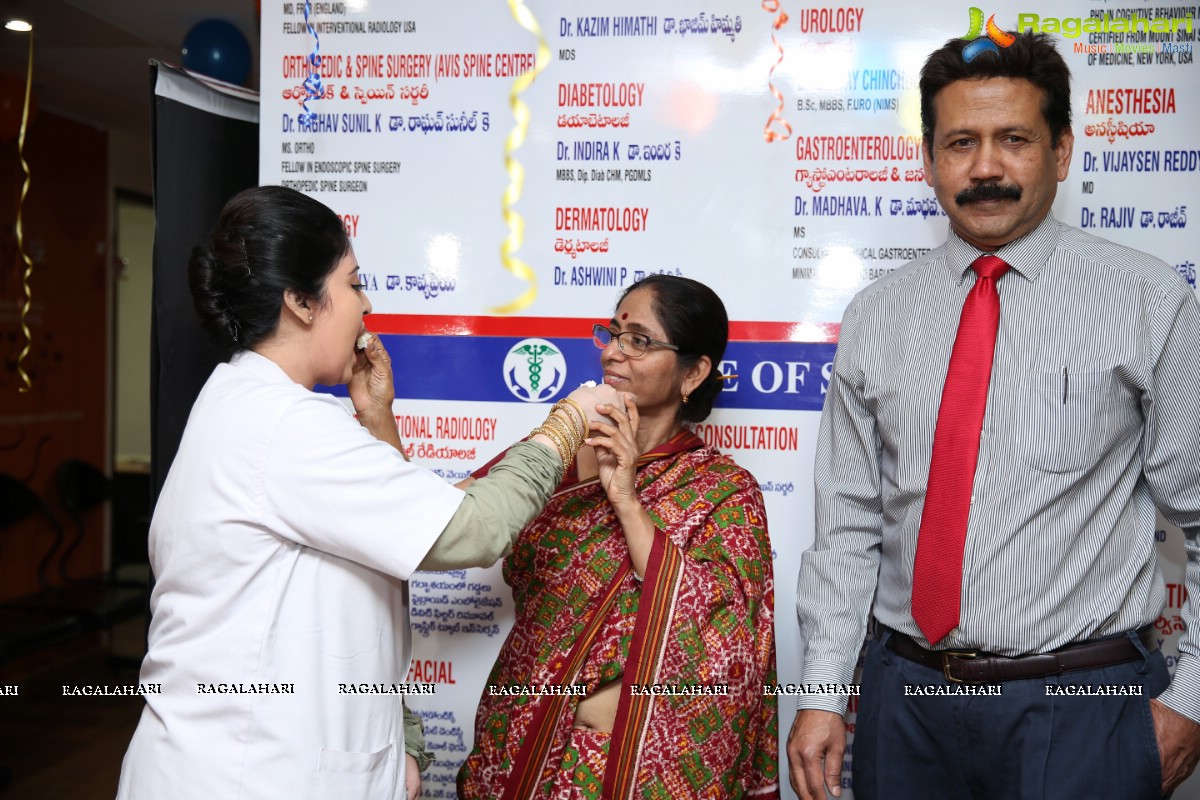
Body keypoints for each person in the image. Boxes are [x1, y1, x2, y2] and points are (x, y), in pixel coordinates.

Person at [787, 32, 1200, 800]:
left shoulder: (1149, 302)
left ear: (1063, 150)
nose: (984, 167)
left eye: (1014, 140)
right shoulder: (878, 314)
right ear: (929, 159)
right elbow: (847, 524)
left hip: (1086, 707)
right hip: (903, 702)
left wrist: (1190, 703)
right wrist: (819, 691)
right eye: (960, 143)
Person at [116, 185, 617, 800]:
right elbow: (472, 529)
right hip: (247, 773)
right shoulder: (283, 425)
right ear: (301, 301)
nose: (366, 304)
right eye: (353, 284)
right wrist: (567, 422)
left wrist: (378, 418)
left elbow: (392, 526)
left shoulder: (255, 408)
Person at [457, 275, 779, 799]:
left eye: (640, 341)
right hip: (518, 744)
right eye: (612, 334)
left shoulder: (724, 490)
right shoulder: (553, 452)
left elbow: (724, 639)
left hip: (632, 771)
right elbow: (440, 523)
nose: (612, 353)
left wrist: (627, 500)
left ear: (693, 372)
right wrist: (380, 418)